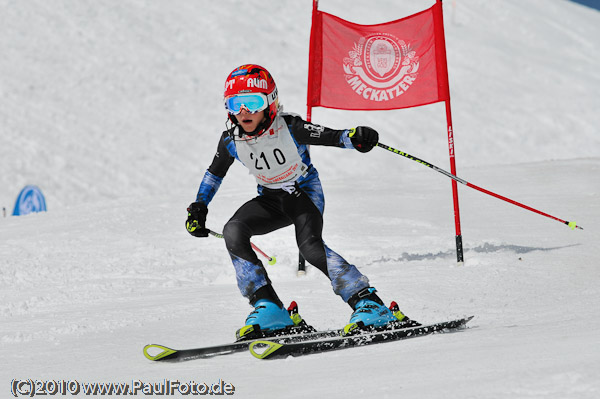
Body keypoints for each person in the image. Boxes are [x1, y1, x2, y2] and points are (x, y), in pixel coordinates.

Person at [186, 64, 414, 339]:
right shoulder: (231, 140)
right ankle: (268, 306)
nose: (243, 111)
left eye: (253, 102)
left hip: (303, 194)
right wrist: (199, 207)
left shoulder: (289, 126)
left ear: (270, 103)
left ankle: (369, 303)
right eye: (236, 103)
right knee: (234, 231)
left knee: (310, 248)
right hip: (270, 199)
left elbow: (333, 136)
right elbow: (214, 174)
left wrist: (357, 138)